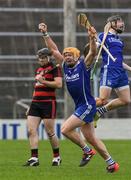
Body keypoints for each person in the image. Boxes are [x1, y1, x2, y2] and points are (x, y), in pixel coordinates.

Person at [38, 22, 119, 173]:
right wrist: (45, 34)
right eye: (65, 55)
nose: (67, 57)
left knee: (65, 129)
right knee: (91, 138)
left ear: (77, 57)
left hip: (87, 105)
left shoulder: (83, 65)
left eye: (70, 55)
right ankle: (111, 163)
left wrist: (91, 38)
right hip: (80, 105)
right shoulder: (63, 66)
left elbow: (93, 53)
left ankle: (87, 151)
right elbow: (53, 50)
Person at [94, 15, 131, 127]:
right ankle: (83, 105)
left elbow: (118, 60)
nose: (122, 24)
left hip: (121, 72)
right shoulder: (103, 36)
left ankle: (99, 112)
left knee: (125, 100)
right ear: (111, 23)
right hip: (109, 71)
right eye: (120, 21)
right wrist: (93, 40)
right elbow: (94, 50)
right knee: (102, 100)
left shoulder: (119, 41)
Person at [23, 48, 63, 166]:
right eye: (40, 58)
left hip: (48, 103)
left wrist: (43, 81)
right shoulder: (39, 69)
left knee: (50, 132)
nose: (41, 60)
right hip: (35, 103)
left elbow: (59, 84)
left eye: (43, 57)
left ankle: (57, 157)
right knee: (31, 130)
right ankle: (34, 158)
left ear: (49, 57)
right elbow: (36, 88)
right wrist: (30, 105)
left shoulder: (55, 69)